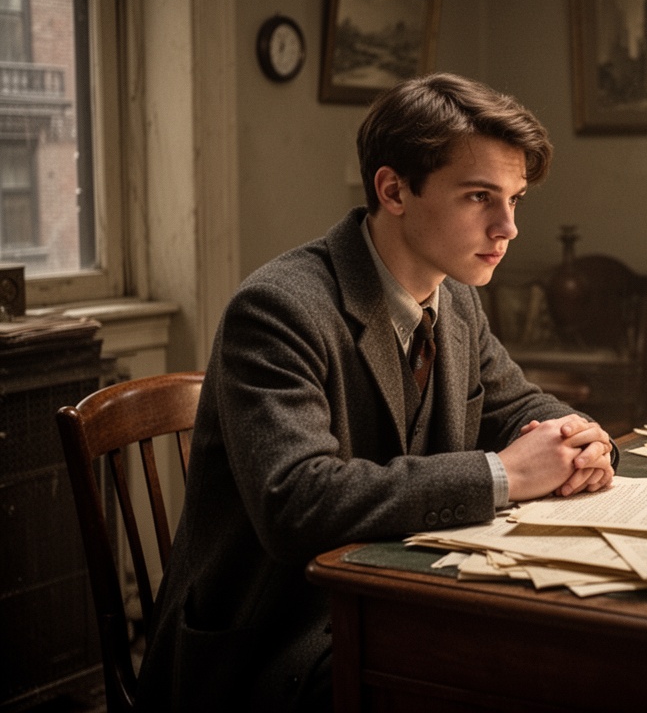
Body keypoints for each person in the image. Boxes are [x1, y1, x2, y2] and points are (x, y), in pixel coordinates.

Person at [135, 72, 618, 711]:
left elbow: (515, 402)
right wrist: (499, 475)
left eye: (516, 199)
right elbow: (297, 504)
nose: (508, 227)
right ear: (393, 190)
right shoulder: (278, 309)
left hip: (389, 595)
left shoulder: (457, 297)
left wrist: (577, 433)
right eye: (479, 196)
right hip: (271, 644)